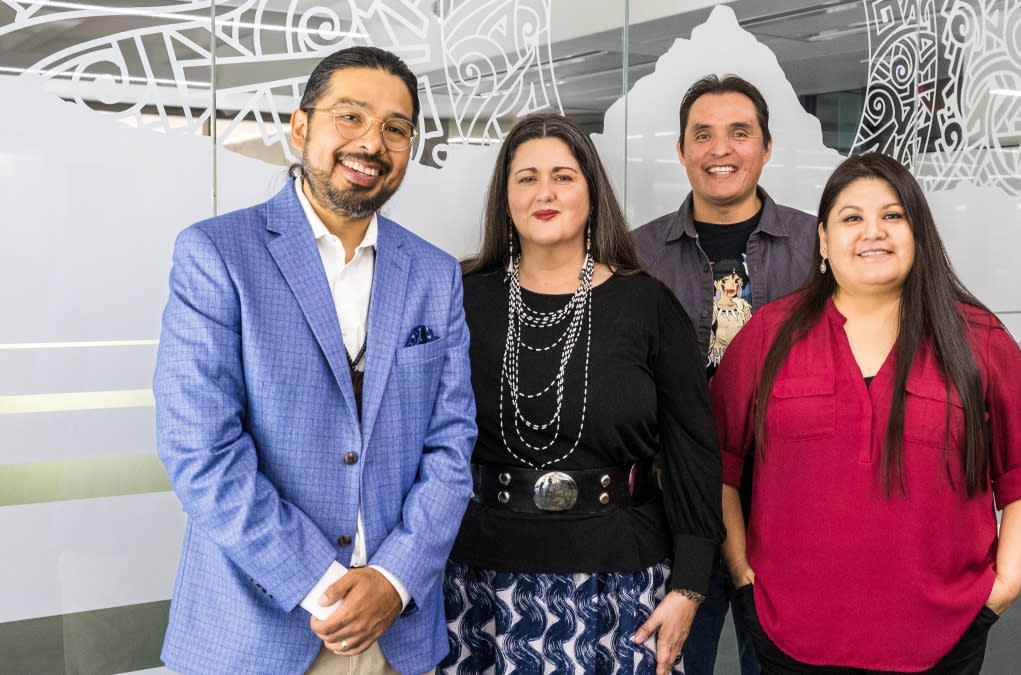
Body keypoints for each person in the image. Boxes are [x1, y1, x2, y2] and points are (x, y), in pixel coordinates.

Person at [153, 46, 476, 675]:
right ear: (301, 127)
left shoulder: (434, 274)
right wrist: (322, 583)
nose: (372, 142)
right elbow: (201, 451)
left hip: (396, 631)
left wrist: (394, 578)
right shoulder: (218, 255)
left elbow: (452, 445)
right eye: (349, 117)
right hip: (256, 628)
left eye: (395, 127)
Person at [712, 152, 1021, 674]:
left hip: (941, 643)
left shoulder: (978, 339)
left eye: (893, 216)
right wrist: (742, 573)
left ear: (918, 233)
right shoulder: (768, 335)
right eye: (852, 217)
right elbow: (716, 463)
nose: (873, 232)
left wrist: (1003, 586)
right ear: (824, 242)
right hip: (790, 639)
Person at [438, 112, 724, 675]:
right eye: (526, 178)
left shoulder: (648, 305)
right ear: (505, 197)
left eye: (564, 176)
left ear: (592, 193)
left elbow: (693, 451)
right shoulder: (458, 298)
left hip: (623, 585)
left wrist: (689, 586)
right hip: (479, 583)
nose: (545, 192)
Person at [634, 73, 818, 675]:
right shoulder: (638, 255)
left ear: (767, 147)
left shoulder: (816, 246)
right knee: (675, 663)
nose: (721, 150)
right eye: (703, 135)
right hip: (676, 507)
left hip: (791, 506)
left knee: (790, 662)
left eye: (740, 133)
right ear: (682, 150)